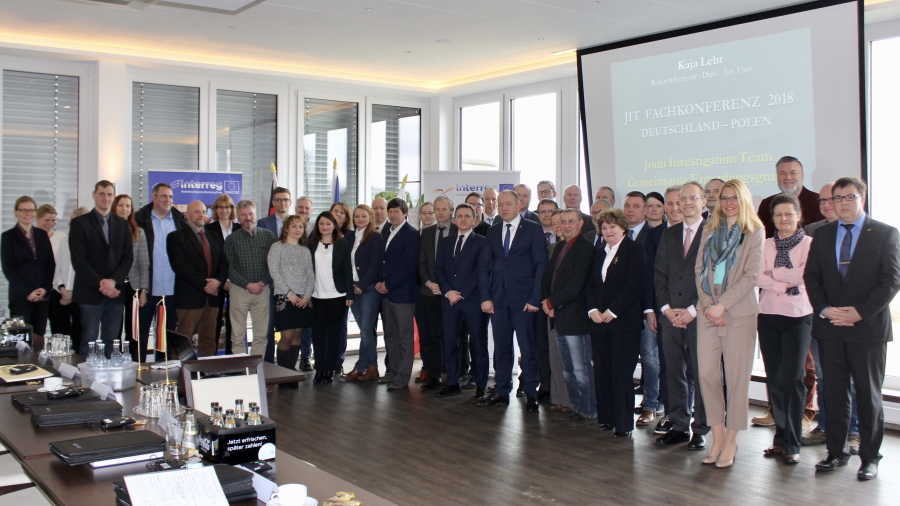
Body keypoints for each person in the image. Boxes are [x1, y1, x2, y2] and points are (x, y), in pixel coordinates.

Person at [805, 177, 900, 481]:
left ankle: (870, 457)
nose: (842, 203)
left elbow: (891, 280)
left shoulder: (885, 233)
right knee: (833, 393)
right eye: (837, 198)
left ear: (863, 198)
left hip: (867, 328)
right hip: (830, 326)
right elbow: (812, 277)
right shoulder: (822, 234)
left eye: (849, 197)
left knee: (868, 394)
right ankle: (836, 452)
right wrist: (825, 310)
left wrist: (859, 313)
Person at [695, 179, 765, 468]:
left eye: (734, 197)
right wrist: (710, 305)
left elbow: (750, 276)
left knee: (736, 379)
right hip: (708, 312)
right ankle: (717, 436)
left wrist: (723, 305)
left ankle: (732, 440)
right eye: (724, 197)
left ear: (743, 199)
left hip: (737, 313)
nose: (728, 202)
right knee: (708, 375)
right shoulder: (710, 228)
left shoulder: (755, 231)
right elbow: (699, 268)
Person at [802, 182, 860, 451]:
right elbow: (811, 277)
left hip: (856, 319)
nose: (827, 205)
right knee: (825, 376)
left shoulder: (867, 233)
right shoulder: (814, 232)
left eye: (832, 200)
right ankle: (825, 425)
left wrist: (853, 311)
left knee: (852, 377)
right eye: (823, 201)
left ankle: (854, 431)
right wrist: (825, 308)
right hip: (822, 317)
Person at [756, 193, 813, 464]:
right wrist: (784, 282)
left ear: (799, 216)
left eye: (789, 214)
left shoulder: (810, 244)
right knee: (775, 379)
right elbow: (756, 275)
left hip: (798, 316)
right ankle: (780, 438)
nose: (784, 218)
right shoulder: (764, 244)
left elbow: (803, 274)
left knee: (793, 379)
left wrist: (773, 275)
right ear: (773, 219)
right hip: (767, 315)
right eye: (778, 215)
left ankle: (793, 441)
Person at [477, 189, 547, 412]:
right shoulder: (493, 230)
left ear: (519, 206)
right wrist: (486, 297)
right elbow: (485, 266)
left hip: (525, 300)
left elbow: (541, 266)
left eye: (508, 204)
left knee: (528, 348)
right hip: (498, 300)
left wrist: (536, 297)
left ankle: (531, 392)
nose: (503, 208)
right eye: (500, 204)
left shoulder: (533, 229)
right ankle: (501, 391)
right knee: (501, 348)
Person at [654, 182, 709, 449]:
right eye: (681, 199)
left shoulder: (714, 233)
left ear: (704, 202)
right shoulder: (669, 234)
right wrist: (665, 309)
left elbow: (713, 279)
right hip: (670, 317)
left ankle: (700, 428)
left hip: (700, 316)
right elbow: (660, 274)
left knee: (701, 374)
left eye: (692, 198)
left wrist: (691, 311)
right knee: (674, 372)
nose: (685, 203)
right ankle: (679, 424)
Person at [587, 209, 645, 437]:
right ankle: (607, 418)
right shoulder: (599, 252)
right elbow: (590, 283)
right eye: (604, 227)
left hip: (624, 323)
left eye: (612, 227)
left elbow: (634, 285)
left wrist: (613, 311)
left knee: (621, 373)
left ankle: (623, 424)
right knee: (602, 371)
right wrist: (592, 309)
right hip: (599, 322)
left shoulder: (634, 250)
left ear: (623, 228)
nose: (608, 231)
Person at [542, 209, 596, 427]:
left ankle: (589, 410)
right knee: (568, 369)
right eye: (562, 222)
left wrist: (551, 302)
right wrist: (547, 300)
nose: (566, 225)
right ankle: (576, 407)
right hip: (559, 316)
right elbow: (549, 278)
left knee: (581, 369)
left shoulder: (585, 249)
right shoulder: (560, 247)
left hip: (576, 317)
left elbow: (575, 285)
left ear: (580, 224)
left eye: (571, 221)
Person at [69, 181, 133, 357]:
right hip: (89, 292)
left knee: (111, 341)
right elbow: (79, 260)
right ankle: (84, 382)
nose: (106, 198)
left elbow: (127, 257)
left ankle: (109, 381)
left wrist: (113, 282)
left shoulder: (122, 224)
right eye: (102, 194)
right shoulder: (80, 223)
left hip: (115, 293)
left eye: (109, 194)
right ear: (94, 195)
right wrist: (102, 284)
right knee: (88, 341)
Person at [434, 203, 488, 399]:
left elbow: (480, 271)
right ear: (454, 220)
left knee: (478, 344)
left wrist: (461, 293)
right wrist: (448, 291)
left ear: (474, 220)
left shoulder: (482, 242)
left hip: (472, 301)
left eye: (468, 216)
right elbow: (438, 269)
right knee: (450, 343)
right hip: (449, 301)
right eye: (460, 216)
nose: (463, 219)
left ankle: (481, 385)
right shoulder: (446, 242)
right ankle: (452, 382)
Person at [167, 200, 228, 358]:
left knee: (209, 339)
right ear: (187, 215)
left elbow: (223, 263)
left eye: (203, 211)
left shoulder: (215, 236)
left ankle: (206, 373)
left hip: (213, 297)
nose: (201, 215)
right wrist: (205, 285)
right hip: (189, 297)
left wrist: (217, 282)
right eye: (196, 212)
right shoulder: (176, 237)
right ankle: (179, 376)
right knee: (184, 340)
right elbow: (180, 266)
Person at [134, 182, 185, 359]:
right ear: (153, 197)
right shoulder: (139, 219)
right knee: (140, 336)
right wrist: (141, 287)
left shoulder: (180, 221)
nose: (167, 200)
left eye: (170, 197)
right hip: (147, 290)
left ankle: (164, 376)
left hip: (172, 290)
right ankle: (137, 375)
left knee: (166, 340)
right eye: (163, 196)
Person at [376, 198, 420, 390]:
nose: (392, 215)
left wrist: (388, 284)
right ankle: (392, 371)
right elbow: (382, 260)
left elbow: (408, 266)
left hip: (403, 294)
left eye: (396, 212)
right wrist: (379, 282)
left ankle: (403, 376)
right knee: (390, 335)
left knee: (404, 337)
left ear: (405, 213)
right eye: (390, 211)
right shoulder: (387, 232)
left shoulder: (411, 234)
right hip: (387, 293)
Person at [2, 196, 55, 348]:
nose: (27, 213)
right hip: (20, 298)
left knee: (38, 340)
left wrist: (45, 288)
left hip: (42, 297)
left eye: (31, 210)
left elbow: (50, 264)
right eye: (23, 210)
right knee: (20, 342)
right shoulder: (7, 237)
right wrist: (27, 292)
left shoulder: (42, 235)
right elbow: (9, 270)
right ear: (15, 212)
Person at [268, 215, 314, 386]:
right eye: (294, 226)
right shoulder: (277, 247)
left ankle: (291, 372)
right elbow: (275, 273)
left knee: (297, 335)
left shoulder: (305, 250)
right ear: (286, 228)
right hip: (284, 297)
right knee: (286, 335)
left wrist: (307, 295)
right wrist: (290, 294)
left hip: (303, 299)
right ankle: (282, 373)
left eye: (300, 227)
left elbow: (310, 274)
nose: (297, 229)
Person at [224, 200, 275, 357]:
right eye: (243, 214)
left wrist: (263, 282)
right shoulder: (231, 239)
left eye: (250, 214)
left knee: (261, 334)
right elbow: (229, 268)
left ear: (256, 215)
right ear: (238, 217)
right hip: (239, 290)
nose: (248, 218)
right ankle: (241, 369)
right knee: (238, 335)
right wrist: (247, 285)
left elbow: (273, 264)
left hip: (262, 290)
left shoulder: (268, 236)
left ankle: (256, 368)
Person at [416, 195, 455, 389]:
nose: (440, 213)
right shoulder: (427, 232)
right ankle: (433, 373)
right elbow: (421, 262)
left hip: (452, 294)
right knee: (430, 335)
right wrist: (429, 282)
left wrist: (447, 286)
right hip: (429, 292)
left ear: (451, 211)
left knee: (448, 336)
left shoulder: (459, 230)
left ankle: (451, 373)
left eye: (444, 209)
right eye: (437, 209)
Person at [310, 211, 353, 384]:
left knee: (335, 334)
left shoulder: (342, 243)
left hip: (338, 295)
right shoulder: (311, 244)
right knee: (318, 334)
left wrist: (349, 293)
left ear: (334, 225)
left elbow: (347, 270)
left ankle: (329, 369)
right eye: (321, 223)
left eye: (328, 223)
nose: (325, 227)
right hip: (316, 295)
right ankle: (319, 368)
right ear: (317, 226)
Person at [343, 205, 384, 382]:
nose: (360, 219)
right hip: (352, 288)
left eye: (363, 216)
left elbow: (375, 264)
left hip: (367, 289)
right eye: (357, 216)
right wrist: (351, 285)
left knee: (367, 330)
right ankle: (373, 367)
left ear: (370, 217)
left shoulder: (375, 236)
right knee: (365, 330)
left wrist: (362, 284)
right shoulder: (350, 236)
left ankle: (360, 367)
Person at [111, 194, 150, 361]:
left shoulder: (138, 232)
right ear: (114, 207)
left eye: (127, 206)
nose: (124, 209)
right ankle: (114, 358)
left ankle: (132, 361)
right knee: (114, 327)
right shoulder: (107, 230)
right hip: (114, 286)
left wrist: (144, 289)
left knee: (132, 327)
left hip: (133, 286)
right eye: (121, 205)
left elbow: (144, 263)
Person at [258, 186, 293, 364]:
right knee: (268, 327)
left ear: (290, 202)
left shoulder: (296, 223)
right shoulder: (263, 223)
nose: (282, 203)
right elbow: (262, 255)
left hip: (292, 286)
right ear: (273, 202)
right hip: (270, 284)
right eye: (278, 199)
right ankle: (269, 366)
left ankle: (286, 366)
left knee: (290, 328)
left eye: (285, 199)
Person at [38, 205, 81, 349]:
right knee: (51, 330)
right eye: (46, 220)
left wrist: (65, 289)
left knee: (75, 330)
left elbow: (65, 267)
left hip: (61, 290)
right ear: (37, 219)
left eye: (53, 221)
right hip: (46, 289)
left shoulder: (61, 237)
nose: (49, 224)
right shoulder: (33, 238)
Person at [757, 156, 824, 238]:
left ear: (802, 176)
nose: (788, 177)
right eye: (783, 173)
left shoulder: (817, 201)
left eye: (793, 173)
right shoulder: (766, 204)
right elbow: (760, 237)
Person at [535, 198, 560, 398]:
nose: (546, 215)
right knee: (542, 345)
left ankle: (561, 390)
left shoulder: (565, 238)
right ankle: (545, 386)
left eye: (550, 211)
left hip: (562, 302)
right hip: (538, 300)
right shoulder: (532, 235)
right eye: (542, 211)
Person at [206, 194, 237, 356]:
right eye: (220, 207)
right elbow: (210, 258)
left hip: (237, 282)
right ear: (215, 210)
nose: (224, 210)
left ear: (232, 209)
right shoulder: (208, 229)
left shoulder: (239, 228)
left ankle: (232, 358)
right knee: (214, 322)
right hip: (216, 282)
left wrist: (232, 279)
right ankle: (212, 359)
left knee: (234, 323)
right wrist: (220, 280)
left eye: (227, 207)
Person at [293, 195, 315, 370]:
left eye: (307, 208)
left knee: (308, 324)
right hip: (293, 284)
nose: (304, 211)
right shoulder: (290, 228)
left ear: (311, 210)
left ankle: (306, 358)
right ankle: (291, 359)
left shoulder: (317, 228)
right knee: (294, 325)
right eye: (301, 207)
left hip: (314, 283)